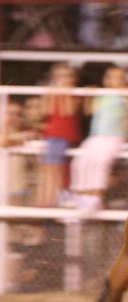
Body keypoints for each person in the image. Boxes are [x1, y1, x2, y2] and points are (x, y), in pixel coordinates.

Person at [70, 66, 128, 212]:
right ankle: (80, 197)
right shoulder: (103, 94)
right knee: (80, 162)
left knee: (100, 162)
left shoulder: (125, 94)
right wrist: (89, 96)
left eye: (118, 77)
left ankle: (95, 198)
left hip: (114, 136)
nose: (113, 80)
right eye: (110, 77)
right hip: (96, 135)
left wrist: (127, 93)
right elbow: (89, 111)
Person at [36, 63, 83, 207]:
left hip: (66, 135)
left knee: (58, 169)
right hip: (52, 135)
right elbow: (45, 112)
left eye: (68, 76)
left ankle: (51, 201)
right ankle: (46, 200)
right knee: (49, 168)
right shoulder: (52, 93)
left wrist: (64, 93)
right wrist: (49, 95)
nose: (64, 79)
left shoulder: (75, 94)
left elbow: (67, 111)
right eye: (60, 76)